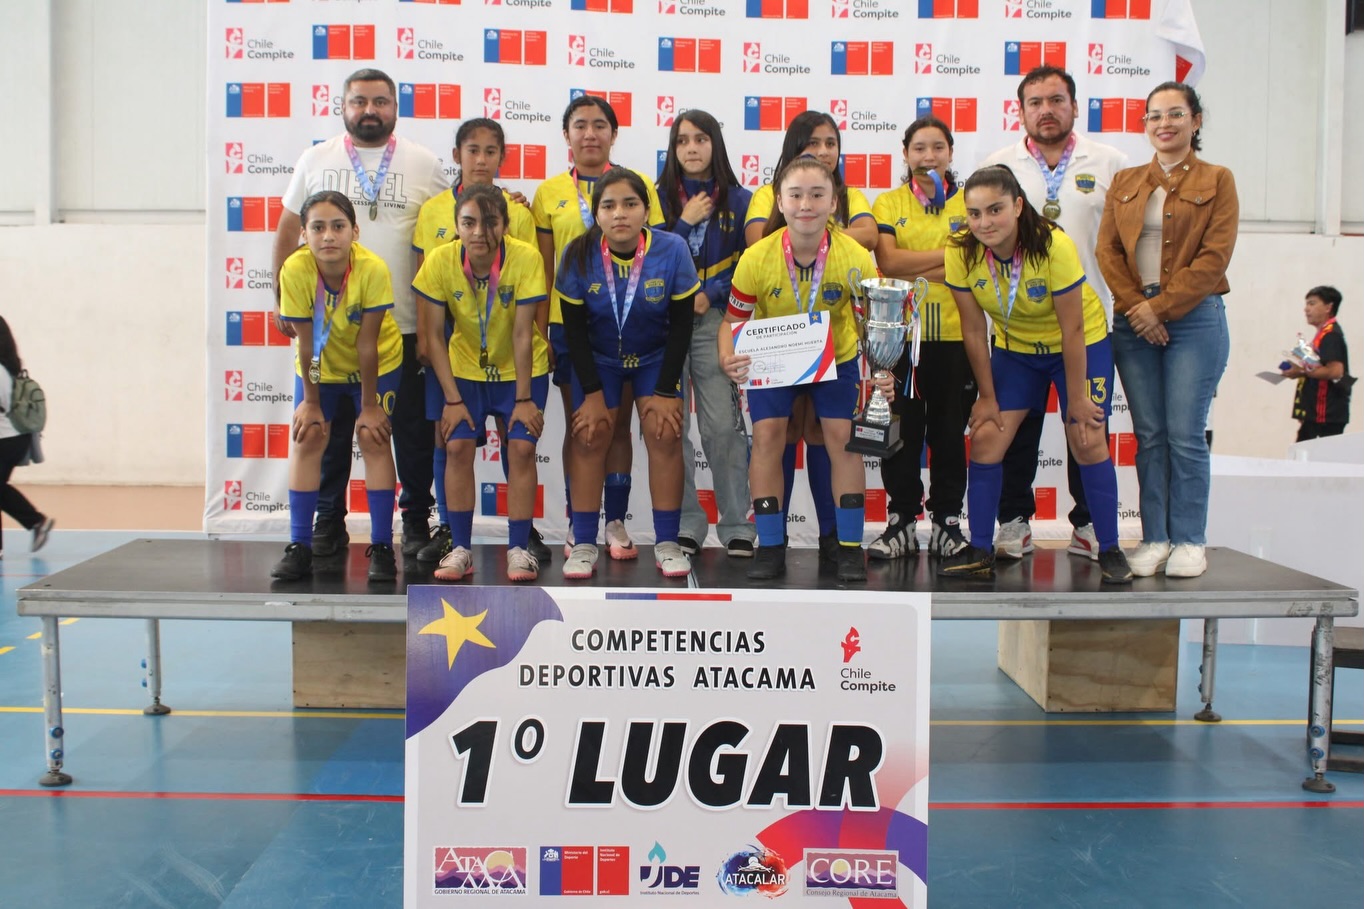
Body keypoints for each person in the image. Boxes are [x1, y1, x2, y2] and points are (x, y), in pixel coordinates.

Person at [273, 69, 448, 563]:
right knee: (324, 437)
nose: (370, 110)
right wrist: (281, 299)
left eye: (380, 101)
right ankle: (328, 523)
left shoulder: (423, 162)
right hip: (327, 332)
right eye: (359, 101)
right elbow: (287, 229)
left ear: (395, 107)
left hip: (404, 326)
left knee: (407, 435)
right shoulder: (316, 159)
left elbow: (453, 218)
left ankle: (415, 522)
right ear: (342, 107)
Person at [939, 165, 1131, 585]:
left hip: (1079, 343)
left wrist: (1077, 398)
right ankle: (980, 549)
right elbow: (973, 330)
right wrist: (986, 396)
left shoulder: (1052, 245)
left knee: (1087, 436)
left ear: (1017, 206)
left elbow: (1073, 329)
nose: (984, 223)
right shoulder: (960, 250)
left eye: (995, 210)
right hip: (1017, 351)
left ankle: (1110, 547)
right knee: (987, 437)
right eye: (975, 213)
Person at [979, 66, 1129, 562]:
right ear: (1020, 111)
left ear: (1074, 106)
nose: (1046, 110)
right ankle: (1014, 522)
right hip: (1016, 328)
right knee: (1014, 432)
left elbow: (1127, 242)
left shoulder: (1111, 163)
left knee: (1085, 425)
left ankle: (1088, 526)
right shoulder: (999, 165)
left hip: (1085, 324)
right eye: (1035, 102)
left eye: (1056, 100)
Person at [1097, 82, 1238, 580]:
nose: (1164, 124)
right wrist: (1139, 308)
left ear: (1196, 121)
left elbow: (1214, 258)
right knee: (1150, 436)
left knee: (1184, 434)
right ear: (1145, 125)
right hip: (1134, 319)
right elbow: (1107, 251)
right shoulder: (1126, 181)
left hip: (1195, 319)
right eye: (1154, 115)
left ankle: (1189, 540)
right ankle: (1155, 537)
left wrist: (1160, 309)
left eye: (1176, 114)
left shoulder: (1218, 179)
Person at [722, 158, 885, 583]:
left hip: (836, 358)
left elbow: (874, 323)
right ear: (780, 201)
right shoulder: (757, 257)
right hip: (775, 361)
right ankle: (770, 546)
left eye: (817, 195)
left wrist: (883, 370)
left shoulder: (855, 257)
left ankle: (849, 547)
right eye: (795, 195)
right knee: (768, 437)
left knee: (842, 439)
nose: (806, 204)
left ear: (833, 203)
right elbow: (732, 322)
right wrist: (728, 357)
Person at [532, 95, 666, 560]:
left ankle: (616, 520)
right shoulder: (548, 193)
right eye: (580, 125)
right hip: (570, 325)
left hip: (630, 324)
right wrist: (541, 331)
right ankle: (579, 519)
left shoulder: (638, 185)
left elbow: (656, 254)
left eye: (599, 125)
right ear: (566, 135)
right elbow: (543, 268)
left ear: (614, 134)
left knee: (620, 427)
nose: (590, 133)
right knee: (586, 427)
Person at [411, 118, 547, 566]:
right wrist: (452, 400)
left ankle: (519, 548)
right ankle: (460, 548)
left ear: (505, 225)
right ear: (456, 225)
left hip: (519, 368)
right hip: (463, 366)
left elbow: (524, 332)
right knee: (455, 446)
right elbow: (434, 335)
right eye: (468, 222)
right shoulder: (440, 260)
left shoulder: (525, 258)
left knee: (522, 447)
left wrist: (523, 399)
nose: (478, 232)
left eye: (489, 222)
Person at [556, 168, 698, 580]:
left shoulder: (672, 250)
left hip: (655, 357)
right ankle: (584, 542)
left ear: (646, 211)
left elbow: (682, 325)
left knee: (665, 432)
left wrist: (667, 390)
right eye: (609, 206)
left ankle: (667, 542)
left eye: (630, 204)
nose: (620, 213)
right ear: (597, 214)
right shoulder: (577, 254)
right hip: (598, 359)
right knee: (589, 433)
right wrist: (592, 393)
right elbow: (574, 331)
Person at [271, 191, 404, 582]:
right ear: (304, 234)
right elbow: (307, 344)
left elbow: (367, 344)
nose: (328, 236)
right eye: (318, 227)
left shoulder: (372, 269)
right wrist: (311, 403)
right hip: (321, 366)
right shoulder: (294, 270)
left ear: (354, 232)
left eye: (338, 226)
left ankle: (382, 547)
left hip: (377, 362)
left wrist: (369, 406)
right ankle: (300, 546)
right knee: (309, 434)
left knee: (373, 437)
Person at [868, 115, 975, 561]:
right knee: (900, 432)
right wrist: (950, 257)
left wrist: (923, 265)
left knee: (949, 433)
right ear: (905, 153)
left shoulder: (970, 201)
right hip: (899, 339)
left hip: (956, 335)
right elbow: (890, 264)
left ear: (950, 152)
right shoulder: (888, 203)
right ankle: (902, 522)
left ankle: (948, 521)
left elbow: (974, 261)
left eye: (937, 147)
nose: (928, 156)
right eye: (919, 148)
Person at [655, 109, 757, 558]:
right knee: (671, 428)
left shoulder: (741, 199)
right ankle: (686, 524)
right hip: (664, 323)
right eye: (682, 140)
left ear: (715, 143)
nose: (691, 148)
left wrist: (709, 292)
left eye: (700, 139)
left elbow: (753, 263)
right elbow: (646, 258)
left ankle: (736, 524)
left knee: (721, 427)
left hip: (717, 319)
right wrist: (684, 222)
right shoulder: (656, 198)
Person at [0, 317, 54, 558]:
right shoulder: (8, 367)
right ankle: (35, 522)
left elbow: (4, 405)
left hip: (7, 440)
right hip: (11, 439)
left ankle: (36, 521)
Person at [1283, 286, 1351, 441]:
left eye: (1312, 303)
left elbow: (1335, 371)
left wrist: (1301, 372)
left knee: (1317, 453)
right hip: (1316, 414)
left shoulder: (1331, 335)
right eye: (1306, 304)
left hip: (1326, 415)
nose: (1306, 309)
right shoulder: (1323, 334)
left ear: (1328, 307)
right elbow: (1319, 367)